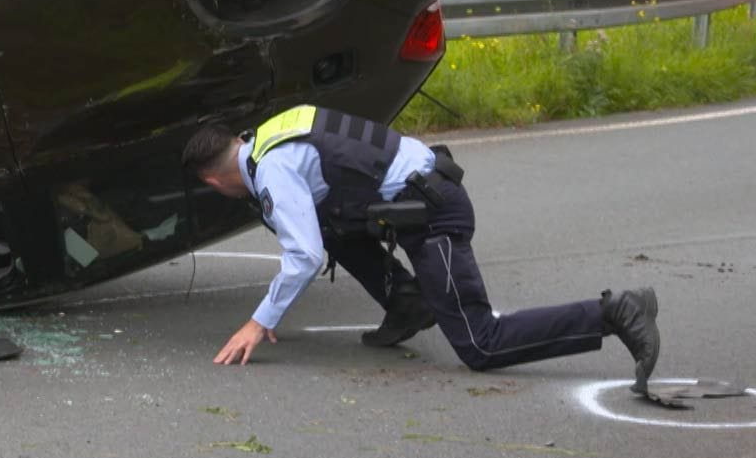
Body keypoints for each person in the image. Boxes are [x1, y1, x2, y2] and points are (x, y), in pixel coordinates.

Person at [182, 105, 662, 392]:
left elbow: (303, 255)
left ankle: (614, 312)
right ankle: (407, 304)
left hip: (434, 213)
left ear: (213, 180)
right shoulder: (274, 132)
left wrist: (259, 320)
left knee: (479, 344)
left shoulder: (271, 173)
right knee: (330, 223)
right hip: (417, 193)